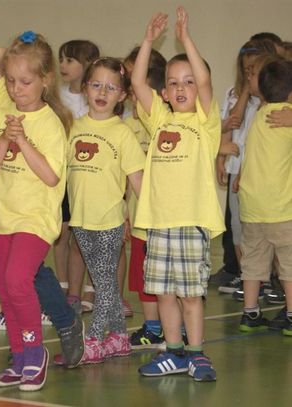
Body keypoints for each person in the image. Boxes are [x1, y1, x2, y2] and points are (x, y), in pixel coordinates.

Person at [131, 8, 224, 382]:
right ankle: (174, 353)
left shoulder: (204, 121)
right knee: (164, 294)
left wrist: (185, 39)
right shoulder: (158, 118)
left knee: (189, 296)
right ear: (165, 91)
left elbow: (204, 82)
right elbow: (138, 82)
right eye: (174, 83)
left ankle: (197, 354)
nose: (182, 88)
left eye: (188, 82)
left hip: (190, 223)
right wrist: (149, 40)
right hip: (158, 224)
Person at [0, 44, 84, 370]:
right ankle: (19, 357)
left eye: (24, 82)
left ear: (45, 80)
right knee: (6, 288)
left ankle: (34, 352)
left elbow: (52, 177)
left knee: (17, 280)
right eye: (10, 81)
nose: (15, 89)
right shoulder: (1, 112)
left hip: (35, 218)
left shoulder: (51, 123)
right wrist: (4, 139)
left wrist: (22, 141)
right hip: (1, 216)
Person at [66, 57, 145, 364]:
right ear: (86, 89)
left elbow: (137, 180)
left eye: (111, 87)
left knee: (105, 282)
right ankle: (121, 337)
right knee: (104, 281)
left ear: (122, 95)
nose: (102, 92)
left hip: (109, 220)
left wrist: (147, 219)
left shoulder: (122, 133)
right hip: (81, 221)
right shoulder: (73, 128)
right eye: (96, 84)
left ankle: (96, 338)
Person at [235, 58, 292, 335]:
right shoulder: (287, 117)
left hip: (251, 206)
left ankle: (250, 312)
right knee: (289, 264)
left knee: (254, 262)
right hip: (281, 206)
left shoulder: (259, 114)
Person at [216, 40, 277, 295]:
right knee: (238, 229)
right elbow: (232, 123)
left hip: (257, 173)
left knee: (262, 229)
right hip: (235, 168)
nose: (249, 74)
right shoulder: (236, 94)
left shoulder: (268, 101)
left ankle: (267, 278)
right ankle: (247, 276)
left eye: (254, 70)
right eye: (246, 70)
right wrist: (220, 159)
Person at [123, 46, 168, 349]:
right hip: (139, 217)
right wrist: (125, 212)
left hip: (165, 218)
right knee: (143, 280)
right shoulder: (127, 126)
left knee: (167, 280)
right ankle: (152, 328)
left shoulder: (165, 123)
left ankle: (173, 328)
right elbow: (126, 176)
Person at [57, 40, 100, 314]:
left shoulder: (93, 98)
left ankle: (90, 287)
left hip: (88, 178)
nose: (63, 65)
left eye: (70, 61)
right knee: (60, 232)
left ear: (86, 66)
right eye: (61, 60)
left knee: (86, 236)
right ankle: (63, 284)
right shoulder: (56, 97)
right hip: (63, 174)